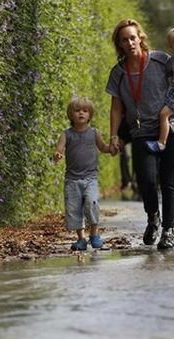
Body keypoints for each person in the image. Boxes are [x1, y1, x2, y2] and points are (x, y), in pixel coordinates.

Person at [106, 19, 174, 250]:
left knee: (168, 180)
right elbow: (116, 107)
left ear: (140, 38)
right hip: (142, 130)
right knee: (145, 179)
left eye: (133, 37)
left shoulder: (161, 60)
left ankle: (168, 230)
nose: (130, 42)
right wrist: (113, 135)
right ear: (120, 44)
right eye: (124, 39)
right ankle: (153, 217)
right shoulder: (118, 73)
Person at [53, 97, 111, 251]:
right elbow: (59, 149)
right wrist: (58, 155)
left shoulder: (94, 133)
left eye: (85, 111)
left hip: (90, 177)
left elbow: (103, 147)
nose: (81, 113)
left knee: (92, 203)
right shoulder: (66, 134)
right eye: (77, 111)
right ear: (70, 115)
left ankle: (94, 234)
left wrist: (111, 148)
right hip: (72, 180)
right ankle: (81, 238)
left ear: (90, 115)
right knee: (74, 209)